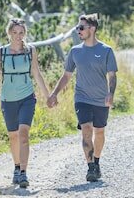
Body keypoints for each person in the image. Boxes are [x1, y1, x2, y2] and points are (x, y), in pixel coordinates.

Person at [47, 13, 117, 182]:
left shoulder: (106, 50)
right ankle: (91, 167)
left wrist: (111, 93)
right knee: (86, 129)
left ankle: (97, 161)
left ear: (92, 29)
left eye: (81, 28)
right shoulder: (75, 51)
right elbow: (66, 76)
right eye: (77, 28)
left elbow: (112, 75)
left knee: (99, 132)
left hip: (101, 99)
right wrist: (54, 93)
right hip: (82, 98)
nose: (78, 31)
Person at [0, 17, 49, 189]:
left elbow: (37, 74)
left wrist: (48, 96)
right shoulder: (2, 52)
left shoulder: (30, 51)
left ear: (25, 33)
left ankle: (23, 173)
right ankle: (16, 167)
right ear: (9, 33)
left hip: (27, 98)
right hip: (8, 99)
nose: (18, 36)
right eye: (15, 32)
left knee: (23, 134)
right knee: (13, 135)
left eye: (21, 32)